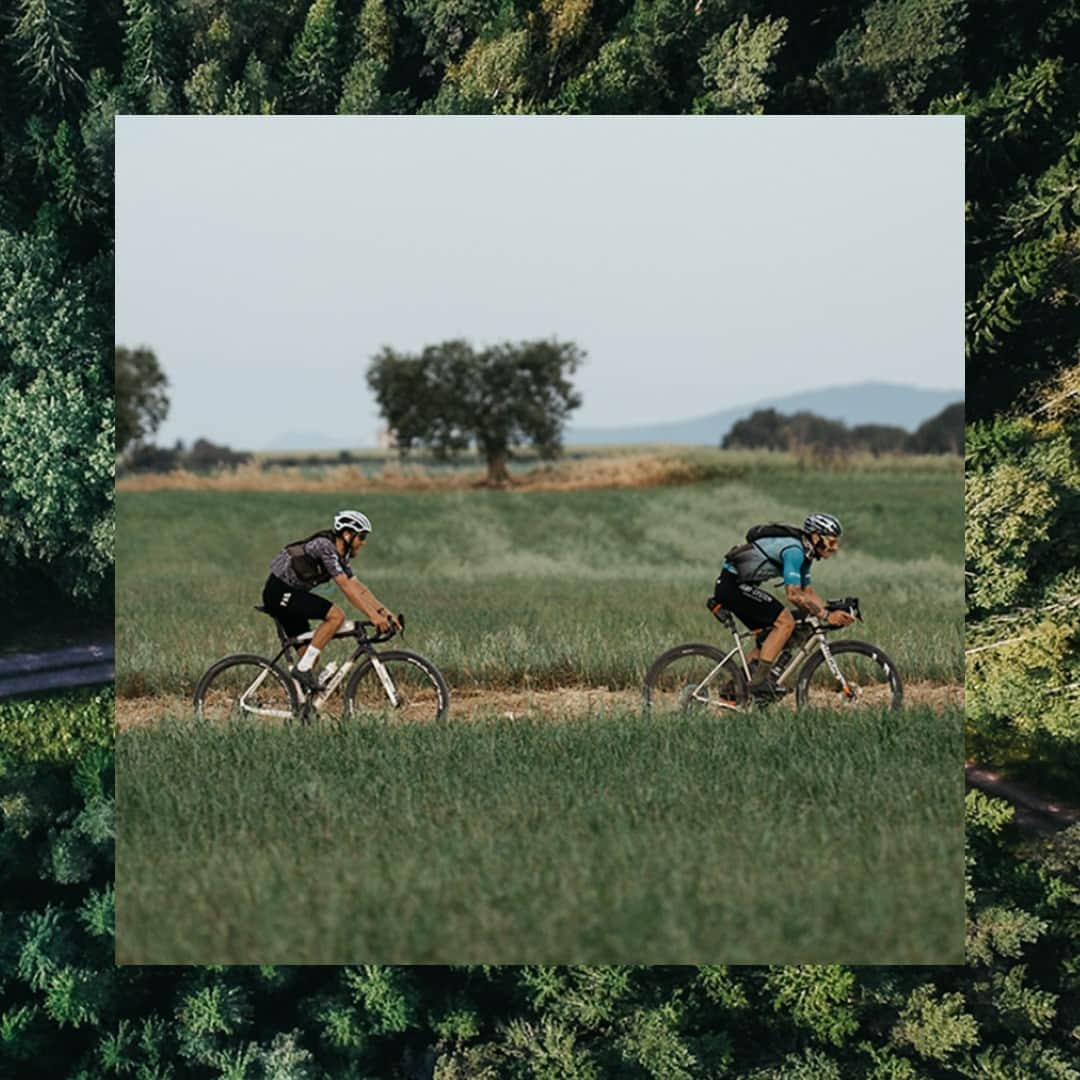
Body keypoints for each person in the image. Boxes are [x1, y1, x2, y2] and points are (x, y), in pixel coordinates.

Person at [713, 512, 855, 697]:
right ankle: (759, 683)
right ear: (815, 537)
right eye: (831, 541)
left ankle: (735, 690)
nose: (835, 548)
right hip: (733, 588)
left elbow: (807, 592)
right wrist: (827, 616)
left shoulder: (806, 554)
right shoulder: (795, 551)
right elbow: (794, 595)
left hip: (739, 587)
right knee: (785, 622)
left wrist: (831, 611)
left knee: (780, 632)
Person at [262, 509, 399, 693]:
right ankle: (302, 671)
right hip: (279, 593)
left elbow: (358, 587)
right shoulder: (324, 546)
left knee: (311, 657)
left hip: (291, 596)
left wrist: (384, 612)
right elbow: (345, 587)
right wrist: (373, 617)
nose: (363, 543)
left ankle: (302, 709)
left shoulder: (341, 557)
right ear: (347, 534)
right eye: (362, 537)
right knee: (336, 616)